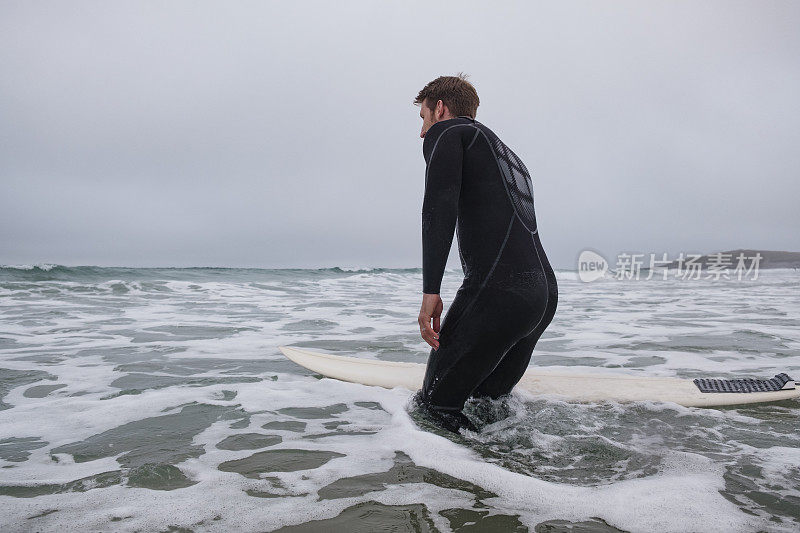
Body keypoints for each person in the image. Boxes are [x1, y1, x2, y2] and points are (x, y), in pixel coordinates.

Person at [413, 74, 558, 433]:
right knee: (488, 405)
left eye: (423, 119)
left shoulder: (448, 133)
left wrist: (430, 291)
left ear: (440, 108)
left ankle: (460, 484)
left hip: (500, 290)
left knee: (434, 407)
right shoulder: (509, 156)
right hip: (540, 296)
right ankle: (509, 477)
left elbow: (438, 209)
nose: (422, 133)